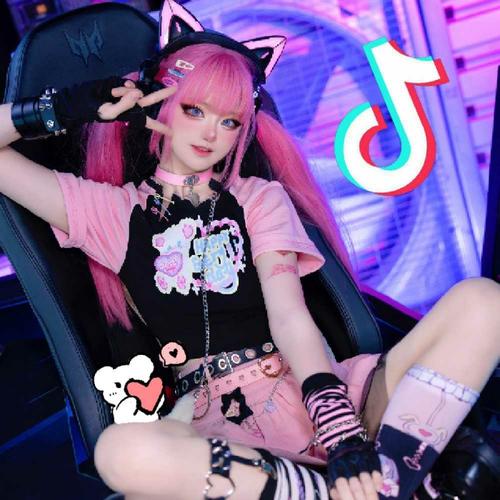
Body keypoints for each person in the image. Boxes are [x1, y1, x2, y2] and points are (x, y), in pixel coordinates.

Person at [1, 1, 499, 499]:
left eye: (230, 121)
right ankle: (372, 487)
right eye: (195, 109)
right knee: (119, 452)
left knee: (483, 301)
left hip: (317, 395)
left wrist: (341, 429)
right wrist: (63, 108)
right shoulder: (111, 213)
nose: (210, 133)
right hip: (225, 434)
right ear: (159, 106)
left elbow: (289, 316)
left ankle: (375, 480)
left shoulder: (258, 198)